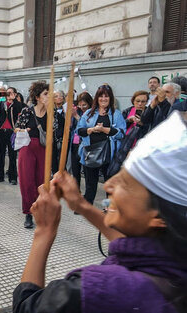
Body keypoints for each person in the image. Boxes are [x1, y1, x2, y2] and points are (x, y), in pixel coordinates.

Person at [13, 111, 187, 313]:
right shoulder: (172, 260)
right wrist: (81, 205)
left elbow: (26, 306)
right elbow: (132, 244)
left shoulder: (103, 290)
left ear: (157, 217)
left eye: (125, 183)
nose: (109, 185)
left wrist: (44, 231)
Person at [76, 84, 126, 204]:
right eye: (101, 96)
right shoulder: (88, 113)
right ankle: (87, 205)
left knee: (110, 182)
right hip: (90, 151)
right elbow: (79, 130)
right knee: (90, 181)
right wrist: (91, 129)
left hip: (109, 152)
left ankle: (110, 207)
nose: (103, 99)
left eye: (106, 96)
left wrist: (105, 130)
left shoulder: (116, 114)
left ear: (111, 98)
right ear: (97, 98)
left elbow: (122, 133)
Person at [14, 81, 49, 229]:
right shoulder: (27, 111)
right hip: (27, 147)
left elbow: (56, 132)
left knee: (41, 181)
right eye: (46, 94)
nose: (49, 96)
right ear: (37, 97)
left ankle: (40, 211)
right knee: (27, 181)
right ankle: (29, 213)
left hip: (43, 149)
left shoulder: (51, 113)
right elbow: (16, 128)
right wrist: (24, 131)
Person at [0, 87, 22, 185]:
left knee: (12, 155)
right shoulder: (1, 103)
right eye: (7, 93)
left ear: (15, 94)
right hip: (1, 131)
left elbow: (20, 113)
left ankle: (13, 177)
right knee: (0, 155)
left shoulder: (17, 104)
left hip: (12, 132)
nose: (8, 95)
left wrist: (14, 100)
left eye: (11, 93)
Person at [70, 92, 92, 189]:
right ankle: (76, 189)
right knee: (75, 169)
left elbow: (87, 127)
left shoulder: (92, 113)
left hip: (86, 145)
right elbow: (73, 127)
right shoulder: (77, 111)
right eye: (80, 104)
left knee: (87, 171)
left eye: (84, 105)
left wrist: (76, 116)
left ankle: (88, 191)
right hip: (75, 143)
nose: (82, 107)